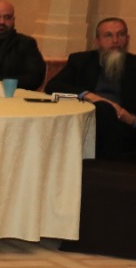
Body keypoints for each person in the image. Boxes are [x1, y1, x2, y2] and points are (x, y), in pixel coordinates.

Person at [46, 17, 136, 161]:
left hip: (123, 127)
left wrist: (131, 120)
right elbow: (53, 86)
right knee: (102, 108)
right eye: (108, 35)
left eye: (121, 34)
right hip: (86, 122)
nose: (115, 41)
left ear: (127, 39)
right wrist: (89, 95)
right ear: (97, 41)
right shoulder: (81, 61)